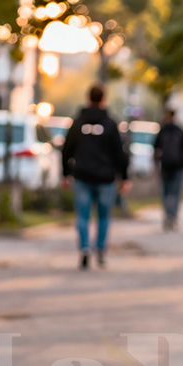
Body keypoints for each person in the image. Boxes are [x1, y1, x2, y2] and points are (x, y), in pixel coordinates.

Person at [61, 84, 129, 269]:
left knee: (82, 216)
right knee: (104, 216)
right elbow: (119, 153)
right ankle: (100, 249)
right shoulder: (110, 123)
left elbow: (67, 149)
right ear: (104, 99)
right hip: (105, 178)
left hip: (82, 175)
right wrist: (124, 177)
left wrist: (65, 173)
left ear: (88, 97)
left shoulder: (78, 122)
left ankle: (84, 248)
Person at [153, 108, 183, 231]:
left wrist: (155, 164)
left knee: (165, 193)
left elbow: (155, 149)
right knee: (175, 193)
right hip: (178, 166)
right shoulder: (180, 131)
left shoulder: (162, 131)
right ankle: (173, 218)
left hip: (165, 166)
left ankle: (167, 217)